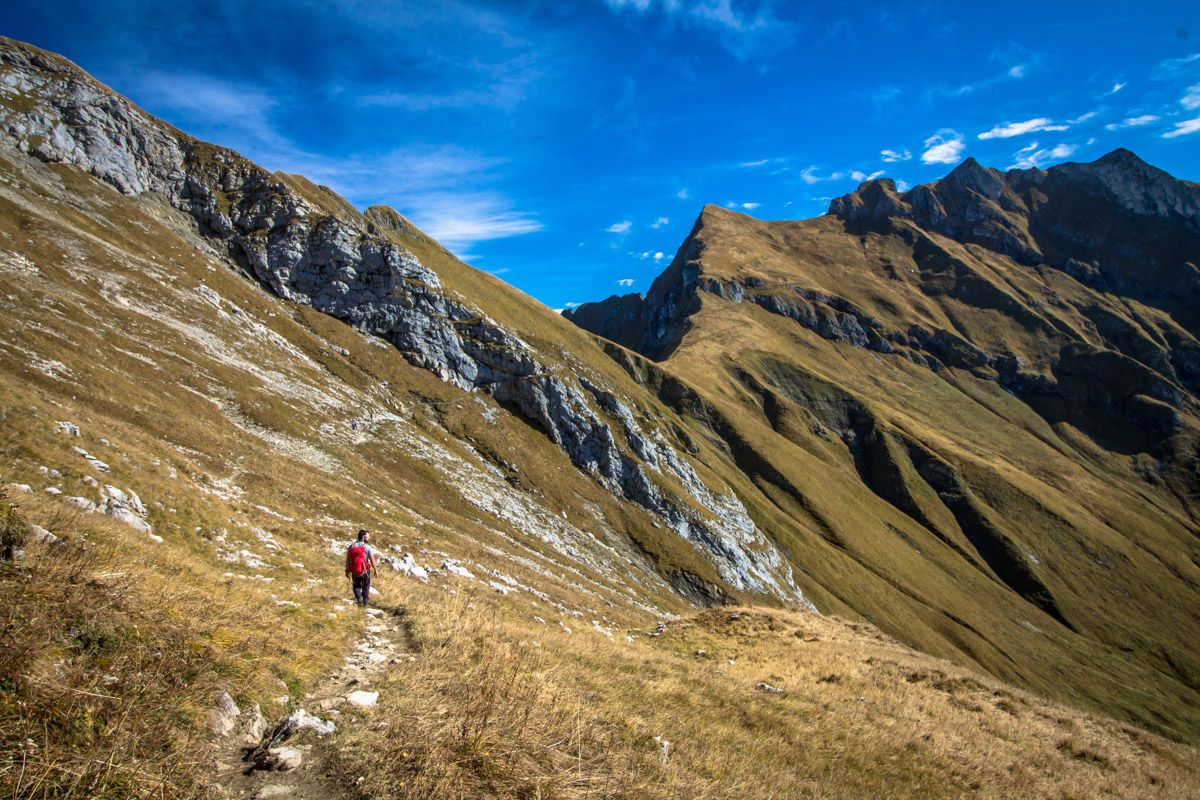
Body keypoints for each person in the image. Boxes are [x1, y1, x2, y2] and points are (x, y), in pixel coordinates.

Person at [345, 528, 379, 608]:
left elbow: (348, 560)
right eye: (367, 536)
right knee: (366, 587)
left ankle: (359, 598)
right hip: (365, 571)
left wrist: (347, 570)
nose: (369, 538)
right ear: (363, 537)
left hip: (354, 571)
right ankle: (364, 604)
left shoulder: (351, 546)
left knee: (356, 586)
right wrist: (376, 570)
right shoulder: (367, 547)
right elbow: (372, 560)